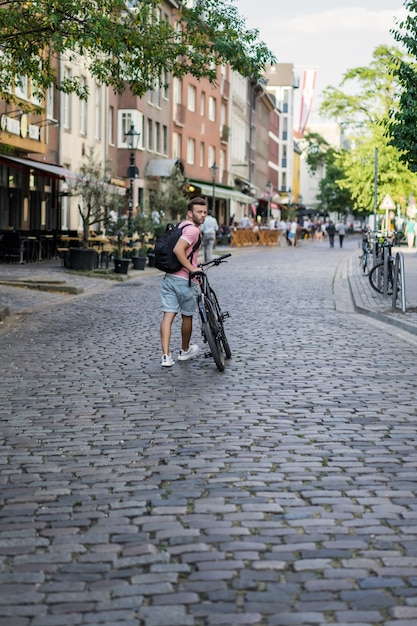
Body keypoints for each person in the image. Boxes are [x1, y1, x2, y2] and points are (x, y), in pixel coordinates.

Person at [160, 197, 207, 367]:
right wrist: (192, 268)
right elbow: (178, 250)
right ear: (190, 213)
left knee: (168, 315)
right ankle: (184, 351)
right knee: (187, 316)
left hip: (169, 277)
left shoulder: (179, 226)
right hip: (185, 280)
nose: (202, 215)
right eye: (199, 212)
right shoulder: (193, 230)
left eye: (204, 212)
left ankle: (166, 356)